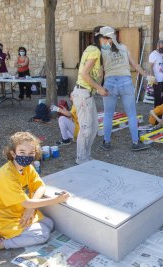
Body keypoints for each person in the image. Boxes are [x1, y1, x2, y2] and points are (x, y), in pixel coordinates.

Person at [0, 132, 70, 254]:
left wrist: (31, 209)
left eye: (31, 153)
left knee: (49, 224)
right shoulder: (6, 175)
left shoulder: (27, 168)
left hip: (17, 212)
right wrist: (56, 200)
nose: (27, 156)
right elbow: (26, 202)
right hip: (2, 218)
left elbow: (40, 186)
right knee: (42, 235)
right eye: (22, 152)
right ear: (12, 153)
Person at [95, 26, 150, 151]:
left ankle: (107, 142)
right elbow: (135, 65)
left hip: (110, 82)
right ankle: (135, 143)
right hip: (125, 81)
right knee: (131, 114)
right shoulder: (124, 48)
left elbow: (100, 72)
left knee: (108, 115)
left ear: (104, 37)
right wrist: (147, 77)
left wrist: (98, 86)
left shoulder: (102, 51)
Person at [72, 26, 108, 165]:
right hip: (83, 94)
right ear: (101, 38)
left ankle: (86, 156)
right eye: (108, 40)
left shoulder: (93, 50)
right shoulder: (94, 51)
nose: (109, 43)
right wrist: (100, 88)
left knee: (93, 127)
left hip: (86, 94)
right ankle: (81, 159)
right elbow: (84, 74)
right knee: (86, 128)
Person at [149, 40, 163, 107]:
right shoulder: (153, 54)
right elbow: (150, 67)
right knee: (157, 97)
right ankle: (156, 113)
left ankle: (159, 106)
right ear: (158, 46)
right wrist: (153, 78)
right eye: (162, 48)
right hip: (157, 80)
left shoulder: (162, 54)